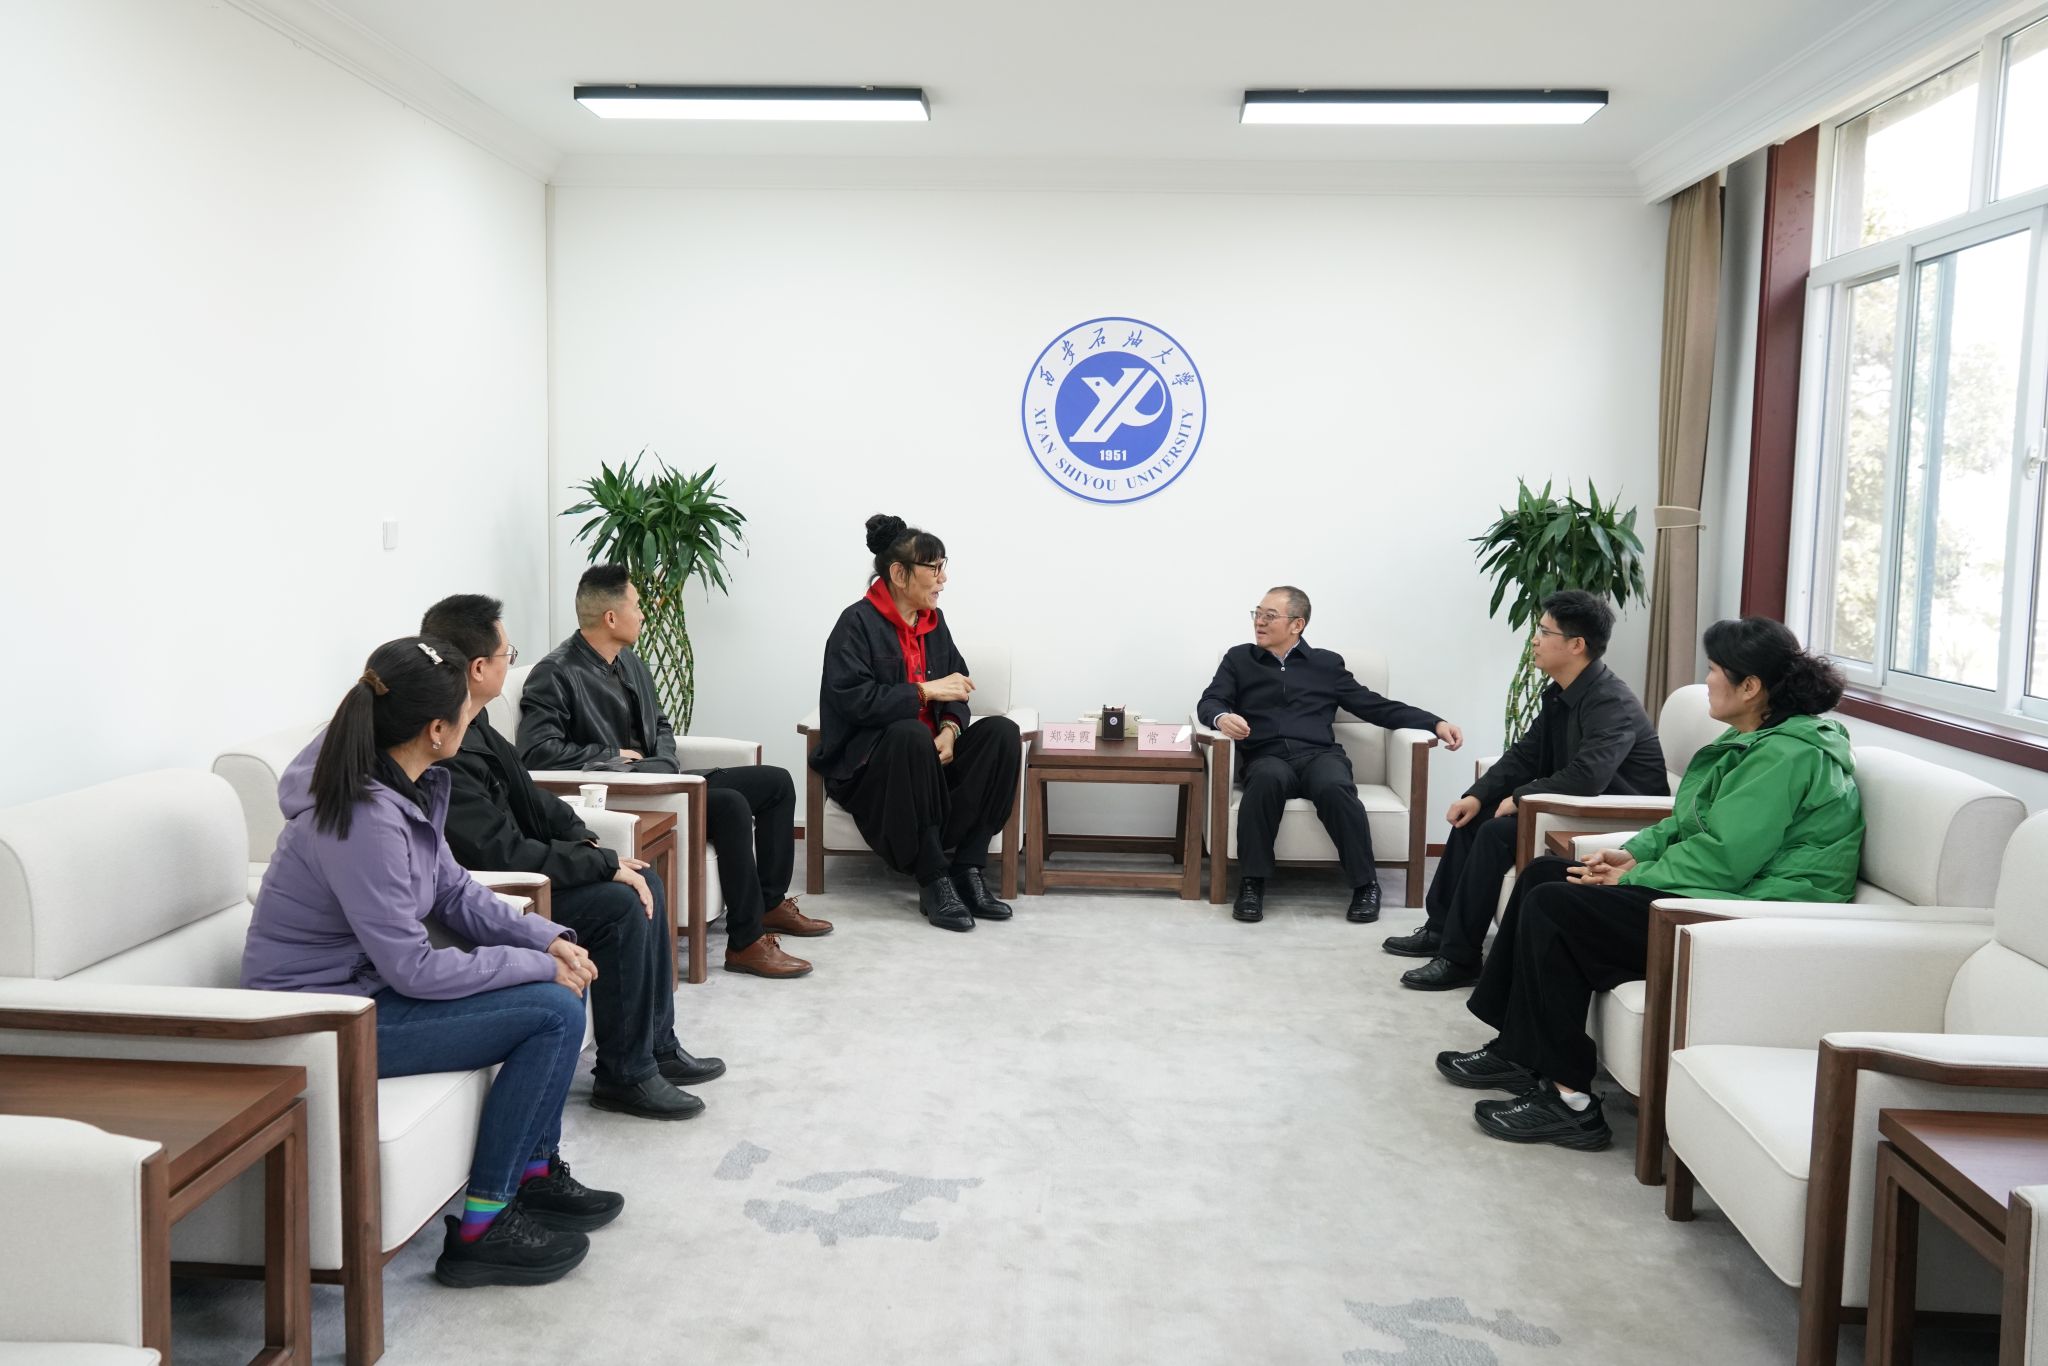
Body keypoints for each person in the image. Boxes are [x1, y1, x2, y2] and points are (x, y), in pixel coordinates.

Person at [241, 636, 621, 1289]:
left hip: (364, 996)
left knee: (562, 983)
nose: (476, 714)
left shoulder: (402, 787)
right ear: (436, 730)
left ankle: (532, 1174)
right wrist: (535, 968)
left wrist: (544, 939)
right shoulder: (362, 817)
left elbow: (453, 890)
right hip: (322, 1023)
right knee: (554, 1010)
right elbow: (413, 969)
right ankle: (483, 1231)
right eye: (466, 708)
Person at [1435, 617, 1863, 1152]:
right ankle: (1519, 1050)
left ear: (1751, 686)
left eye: (1714, 670)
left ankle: (1572, 1104)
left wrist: (1634, 876)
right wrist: (1631, 852)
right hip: (1725, 891)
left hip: (1751, 915)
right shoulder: (1753, 740)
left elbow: (1724, 858)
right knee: (1545, 873)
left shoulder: (1786, 755)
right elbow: (1687, 823)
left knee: (1556, 907)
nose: (1706, 680)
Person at [422, 596, 747, 1126]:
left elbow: (531, 795)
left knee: (642, 879)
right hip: (506, 889)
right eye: (507, 653)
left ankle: (657, 1045)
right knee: (618, 905)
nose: (511, 662)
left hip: (528, 868)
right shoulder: (445, 747)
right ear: (479, 668)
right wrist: (596, 865)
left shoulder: (474, 723)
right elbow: (498, 852)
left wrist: (585, 838)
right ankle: (624, 1075)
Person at [518, 564, 831, 968]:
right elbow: (538, 752)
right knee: (731, 805)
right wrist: (613, 754)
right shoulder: (555, 672)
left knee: (776, 783)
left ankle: (769, 903)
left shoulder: (628, 660)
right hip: (629, 793)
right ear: (611, 617)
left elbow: (662, 724)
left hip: (663, 779)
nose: (643, 614)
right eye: (636, 606)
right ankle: (745, 942)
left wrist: (663, 762)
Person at [1386, 590, 1668, 990]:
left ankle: (1460, 959)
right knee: (1471, 817)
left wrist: (1520, 797)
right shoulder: (1562, 692)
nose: (1534, 640)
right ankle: (1440, 929)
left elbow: (1588, 776)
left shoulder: (1611, 702)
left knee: (1495, 832)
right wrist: (1477, 795)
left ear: (1576, 645)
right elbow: (1525, 754)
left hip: (1611, 816)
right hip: (1570, 806)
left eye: (1544, 632)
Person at [1196, 586, 1465, 924]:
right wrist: (1222, 717)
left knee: (1335, 787)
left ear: (1297, 624)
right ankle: (1252, 883)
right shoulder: (1239, 659)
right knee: (1264, 782)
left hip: (1319, 754)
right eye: (1258, 614)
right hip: (1267, 755)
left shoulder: (1325, 664)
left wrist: (1434, 722)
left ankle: (1366, 885)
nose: (1259, 622)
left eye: (1269, 616)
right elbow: (1210, 701)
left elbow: (1374, 706)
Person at [810, 513, 1021, 932]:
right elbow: (854, 702)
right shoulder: (856, 624)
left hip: (931, 762)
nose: (943, 578)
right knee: (908, 734)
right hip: (876, 770)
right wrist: (923, 692)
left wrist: (950, 731)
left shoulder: (934, 624)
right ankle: (932, 878)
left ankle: (968, 868)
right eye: (934, 568)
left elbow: (958, 687)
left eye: (944, 566)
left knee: (1002, 733)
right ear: (899, 574)